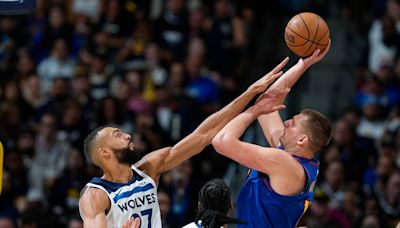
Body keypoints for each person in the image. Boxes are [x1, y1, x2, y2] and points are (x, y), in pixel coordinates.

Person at [78, 57, 289, 227]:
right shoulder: (96, 195)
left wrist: (249, 94)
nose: (128, 135)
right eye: (118, 135)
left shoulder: (149, 168)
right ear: (105, 153)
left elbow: (203, 135)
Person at [212, 41, 332, 227]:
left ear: (302, 140)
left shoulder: (284, 163)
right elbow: (269, 102)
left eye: (292, 124)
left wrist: (253, 111)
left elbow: (221, 141)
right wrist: (304, 64)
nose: (286, 122)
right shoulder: (293, 159)